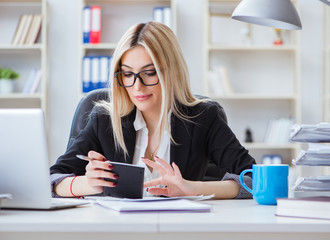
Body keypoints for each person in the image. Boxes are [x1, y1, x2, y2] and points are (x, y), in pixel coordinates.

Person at [50, 21, 256, 199]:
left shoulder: (204, 118)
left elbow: (254, 179)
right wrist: (88, 184)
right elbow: (53, 178)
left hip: (179, 227)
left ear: (172, 72)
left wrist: (192, 188)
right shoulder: (104, 119)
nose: (137, 86)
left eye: (149, 73)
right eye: (127, 74)